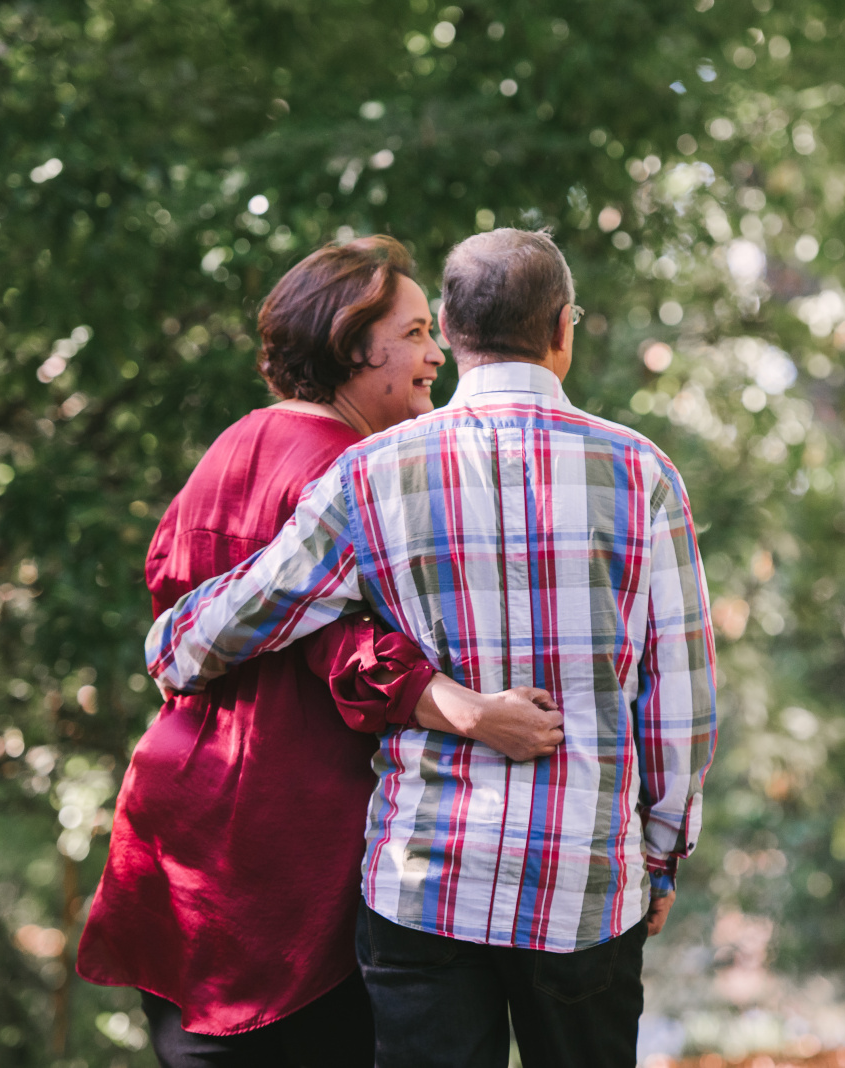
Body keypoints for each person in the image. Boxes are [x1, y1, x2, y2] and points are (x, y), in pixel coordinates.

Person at [145, 228, 719, 1067]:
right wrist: (660, 856)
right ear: (562, 328)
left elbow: (234, 619)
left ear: (450, 328)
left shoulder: (371, 473)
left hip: (426, 887)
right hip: (585, 886)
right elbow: (682, 703)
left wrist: (172, 641)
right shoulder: (643, 473)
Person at [77, 236, 564, 1067]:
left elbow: (174, 596)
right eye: (415, 333)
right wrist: (480, 716)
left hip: (180, 820)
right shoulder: (355, 472)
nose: (437, 353)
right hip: (284, 837)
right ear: (351, 346)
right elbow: (349, 653)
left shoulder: (237, 442)